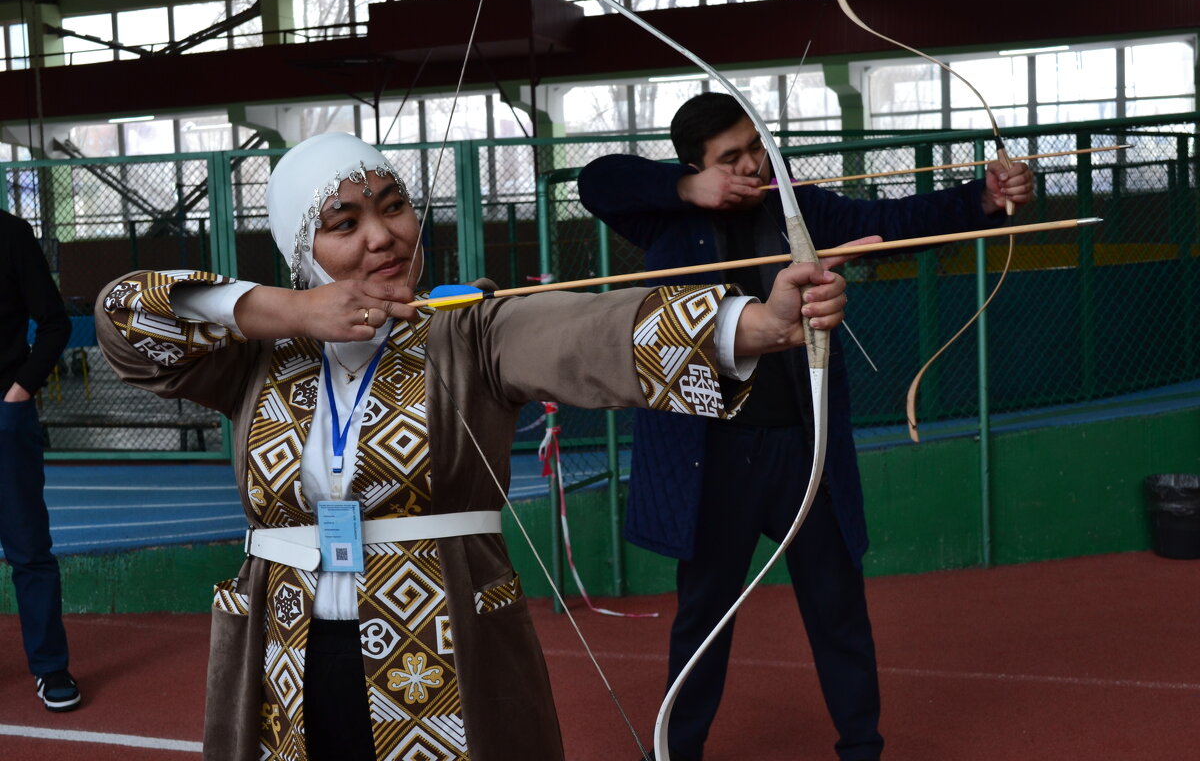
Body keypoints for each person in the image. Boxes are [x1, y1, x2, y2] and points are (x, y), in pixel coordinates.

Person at [95, 132, 857, 761]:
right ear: (301, 243)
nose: (381, 235)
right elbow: (124, 315)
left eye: (394, 208)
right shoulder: (252, 356)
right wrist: (289, 310)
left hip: (443, 647)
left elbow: (583, 335)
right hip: (286, 656)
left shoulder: (471, 331)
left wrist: (754, 325)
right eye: (343, 221)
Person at [577, 92, 1034, 761]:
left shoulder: (801, 208)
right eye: (728, 158)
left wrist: (985, 199)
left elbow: (893, 220)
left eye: (755, 146)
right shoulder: (665, 220)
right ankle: (677, 752)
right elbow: (597, 182)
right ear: (695, 167)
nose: (752, 164)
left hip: (803, 446)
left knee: (837, 607)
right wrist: (687, 187)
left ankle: (861, 748)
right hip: (714, 453)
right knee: (703, 617)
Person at [0, 209, 79, 712]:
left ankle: (51, 668)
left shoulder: (9, 234)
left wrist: (18, 393)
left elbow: (54, 323)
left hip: (4, 417)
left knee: (28, 547)